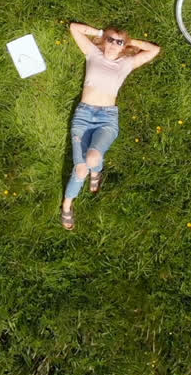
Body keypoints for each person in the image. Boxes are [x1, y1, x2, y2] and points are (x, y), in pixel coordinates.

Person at [61, 22, 160, 229]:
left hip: (107, 119)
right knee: (80, 170)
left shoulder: (127, 63)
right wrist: (100, 33)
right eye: (110, 40)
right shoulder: (93, 54)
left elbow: (154, 50)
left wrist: (129, 42)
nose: (114, 45)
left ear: (124, 46)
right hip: (83, 115)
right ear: (104, 42)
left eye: (119, 42)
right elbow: (74, 28)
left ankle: (96, 171)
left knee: (93, 157)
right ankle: (67, 205)